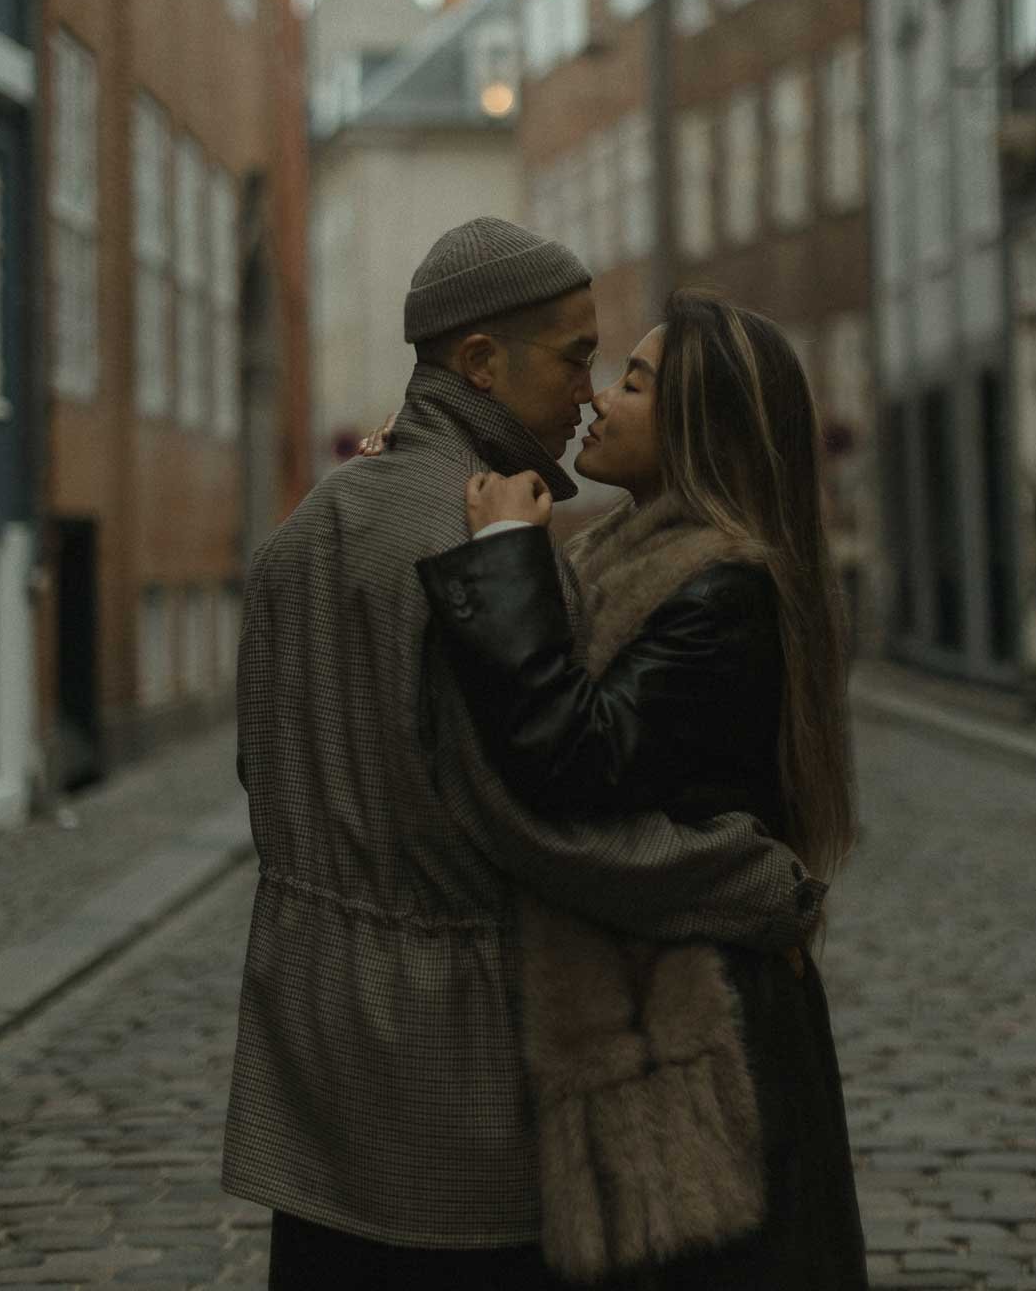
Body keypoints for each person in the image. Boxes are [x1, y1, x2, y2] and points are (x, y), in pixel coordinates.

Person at [223, 220, 826, 1291]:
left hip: (304, 1046)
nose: (588, 392)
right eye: (575, 358)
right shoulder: (478, 541)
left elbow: (261, 772)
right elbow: (543, 827)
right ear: (483, 364)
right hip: (444, 1066)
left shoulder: (308, 526)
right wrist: (748, 881)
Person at [418, 290, 868, 1289]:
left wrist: (504, 557)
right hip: (661, 1010)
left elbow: (574, 758)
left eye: (631, 383)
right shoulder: (637, 558)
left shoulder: (722, 591)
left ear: (698, 427)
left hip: (705, 1036)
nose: (597, 404)